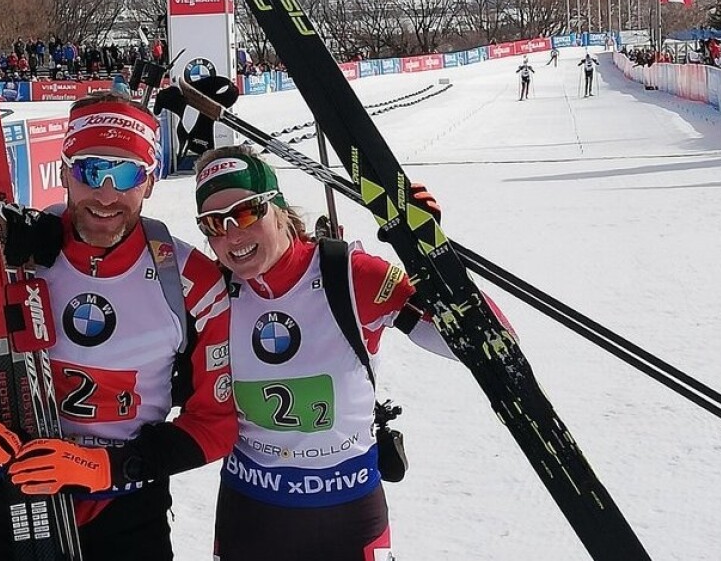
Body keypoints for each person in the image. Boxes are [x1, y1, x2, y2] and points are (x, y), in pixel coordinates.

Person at [0, 91, 237, 561]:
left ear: (150, 182)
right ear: (63, 171)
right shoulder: (6, 245)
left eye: (127, 174)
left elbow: (214, 425)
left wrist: (106, 467)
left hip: (128, 512)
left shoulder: (190, 280)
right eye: (89, 170)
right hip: (21, 503)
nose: (105, 194)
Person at [193, 145, 514, 561]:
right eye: (214, 223)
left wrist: (434, 261)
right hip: (251, 510)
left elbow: (493, 346)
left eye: (246, 213)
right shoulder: (212, 292)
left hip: (346, 510)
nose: (232, 235)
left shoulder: (349, 274)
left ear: (279, 208)